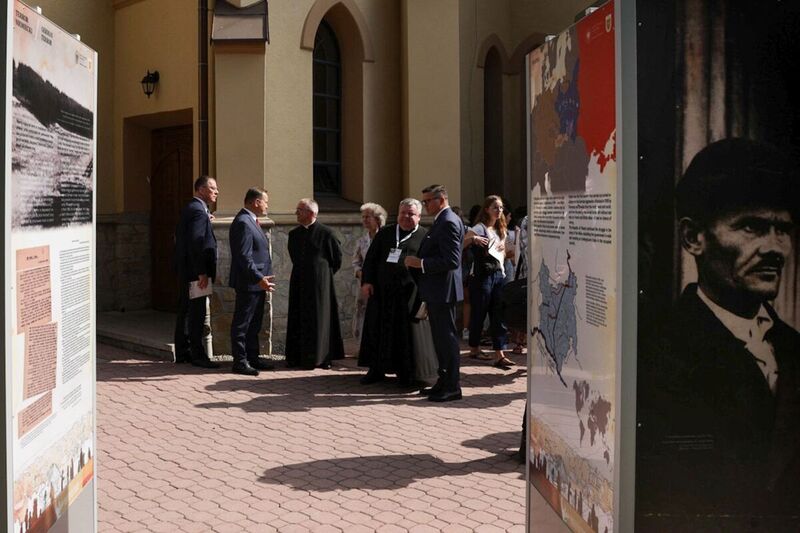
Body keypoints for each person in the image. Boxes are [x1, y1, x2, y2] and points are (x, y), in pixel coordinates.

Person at [638, 138, 800, 519]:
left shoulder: (793, 347)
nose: (776, 248)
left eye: (783, 230)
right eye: (752, 227)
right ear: (693, 238)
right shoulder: (653, 351)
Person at [405, 184, 465, 402]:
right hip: (437, 290)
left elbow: (451, 260)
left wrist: (419, 263)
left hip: (443, 290)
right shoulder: (442, 220)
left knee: (446, 339)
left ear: (441, 199)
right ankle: (443, 381)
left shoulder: (448, 221)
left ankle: (452, 386)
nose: (425, 205)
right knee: (440, 340)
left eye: (427, 201)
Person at [358, 199, 427, 385]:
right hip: (381, 293)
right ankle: (376, 370)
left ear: (419, 216)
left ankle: (405, 373)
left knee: (404, 335)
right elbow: (371, 259)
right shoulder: (386, 233)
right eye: (402, 212)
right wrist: (367, 282)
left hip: (409, 295)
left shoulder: (425, 236)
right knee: (378, 330)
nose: (405, 216)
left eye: (411, 213)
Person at [285, 198, 345, 369]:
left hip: (320, 286)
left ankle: (322, 357)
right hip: (299, 282)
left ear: (311, 213)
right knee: (298, 317)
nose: (296, 213)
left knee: (320, 320)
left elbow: (336, 259)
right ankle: (296, 357)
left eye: (300, 210)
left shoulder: (327, 233)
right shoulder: (293, 234)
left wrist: (322, 275)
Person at [228, 187, 277, 376]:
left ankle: (253, 357)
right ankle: (240, 361)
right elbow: (243, 257)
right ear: (255, 202)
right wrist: (259, 278)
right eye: (265, 201)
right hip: (249, 283)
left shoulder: (251, 221)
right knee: (243, 323)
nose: (267, 205)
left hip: (257, 283)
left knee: (254, 324)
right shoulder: (243, 222)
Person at [173, 175, 220, 369]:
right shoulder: (198, 211)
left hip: (187, 269)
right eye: (212, 188)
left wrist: (206, 218)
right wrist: (202, 272)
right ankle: (198, 356)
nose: (216, 192)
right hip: (195, 272)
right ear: (200, 190)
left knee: (185, 310)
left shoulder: (195, 209)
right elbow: (196, 242)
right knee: (196, 313)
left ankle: (183, 352)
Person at [464, 195, 514, 369]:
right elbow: (461, 243)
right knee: (480, 310)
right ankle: (474, 347)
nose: (499, 210)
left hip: (498, 274)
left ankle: (499, 353)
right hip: (481, 276)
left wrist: (506, 249)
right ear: (487, 209)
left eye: (500, 208)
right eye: (495, 207)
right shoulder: (479, 227)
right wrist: (473, 239)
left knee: (498, 312)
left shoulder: (501, 229)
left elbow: (504, 253)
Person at [352, 203, 387, 340]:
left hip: (383, 283)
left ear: (378, 219)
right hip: (364, 283)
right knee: (362, 312)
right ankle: (362, 345)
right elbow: (355, 261)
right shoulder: (361, 241)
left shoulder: (386, 237)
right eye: (363, 217)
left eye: (368, 217)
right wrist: (360, 273)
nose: (365, 220)